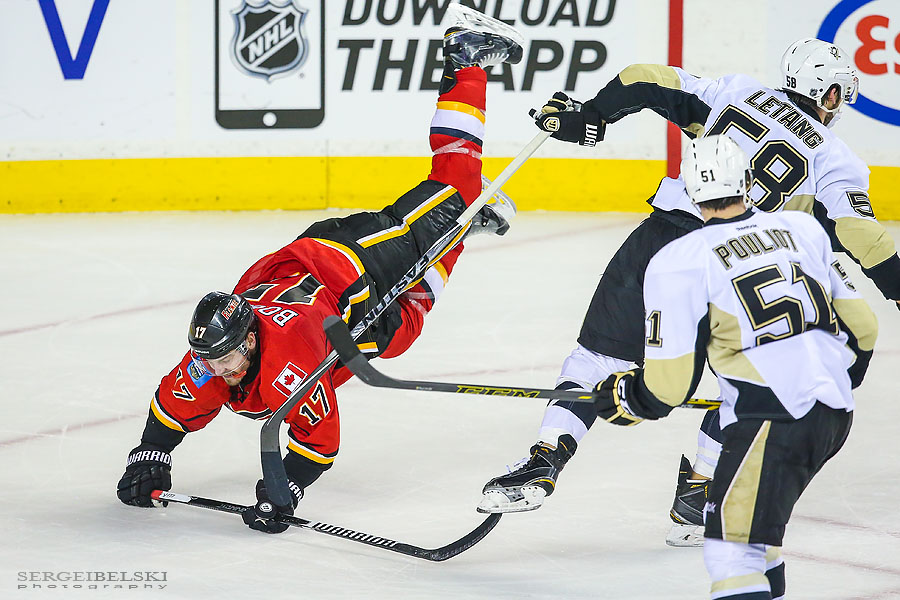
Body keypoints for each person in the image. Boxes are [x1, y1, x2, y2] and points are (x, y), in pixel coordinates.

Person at [116, 7, 525, 534]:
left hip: (350, 259)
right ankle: (462, 229)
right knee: (404, 330)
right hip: (333, 313)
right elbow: (171, 407)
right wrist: (149, 456)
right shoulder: (213, 358)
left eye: (229, 357)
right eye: (214, 361)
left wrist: (288, 482)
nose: (222, 371)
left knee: (458, 190)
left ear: (250, 340)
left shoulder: (288, 365)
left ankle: (465, 61)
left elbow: (318, 444)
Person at [478, 38, 899, 542]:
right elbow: (860, 235)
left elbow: (644, 77)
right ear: (826, 94)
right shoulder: (835, 157)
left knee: (597, 357)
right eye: (836, 96)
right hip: (742, 267)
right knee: (751, 386)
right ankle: (697, 495)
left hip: (664, 243)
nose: (837, 107)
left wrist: (591, 115)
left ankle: (543, 461)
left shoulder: (736, 93)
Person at [590, 134, 878, 600]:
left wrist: (624, 397)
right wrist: (827, 382)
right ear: (748, 182)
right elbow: (863, 328)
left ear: (690, 190)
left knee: (732, 553)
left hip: (773, 422)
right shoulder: (803, 229)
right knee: (758, 540)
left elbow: (669, 387)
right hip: (834, 413)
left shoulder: (678, 260)